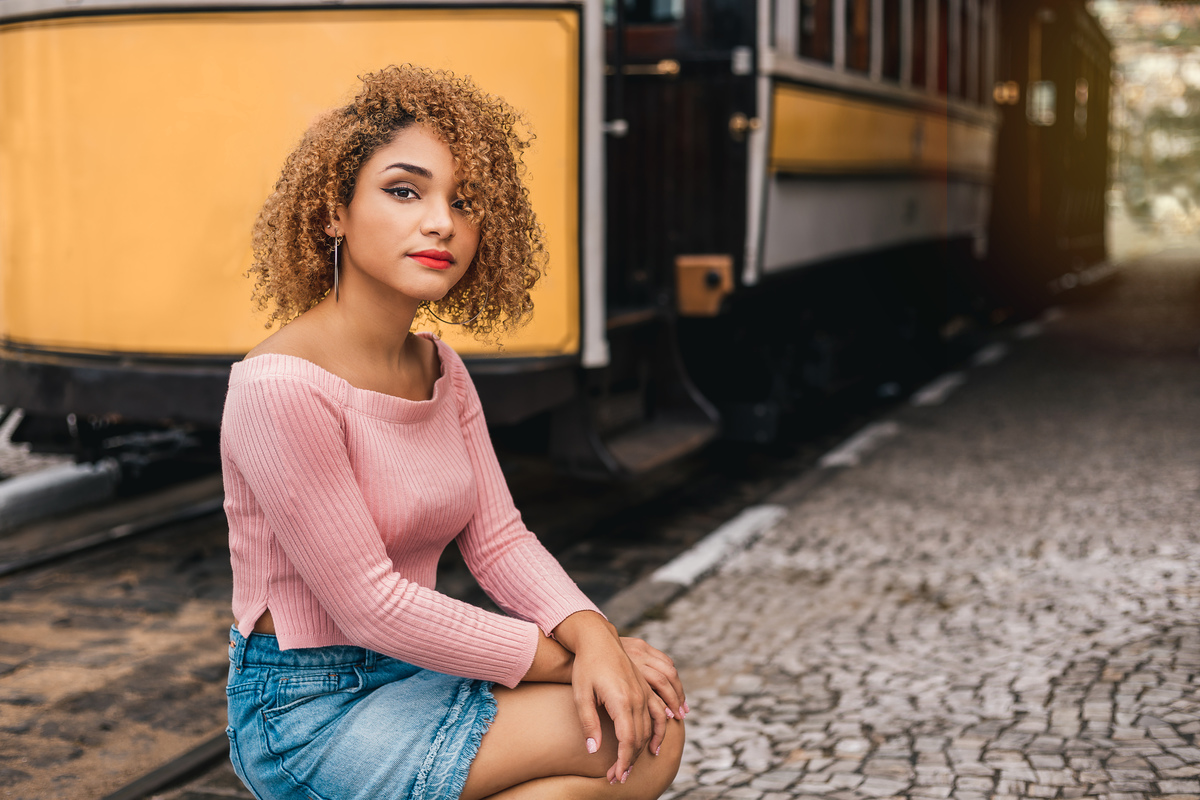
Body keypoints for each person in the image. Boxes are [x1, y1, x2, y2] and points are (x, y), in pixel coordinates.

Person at [220, 65, 687, 800]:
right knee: (619, 730)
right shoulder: (281, 386)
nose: (442, 221)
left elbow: (499, 539)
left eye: (464, 201)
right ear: (333, 212)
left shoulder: (441, 367)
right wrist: (579, 661)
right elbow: (370, 603)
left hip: (416, 671)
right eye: (405, 191)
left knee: (646, 734)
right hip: (307, 706)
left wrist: (594, 632)